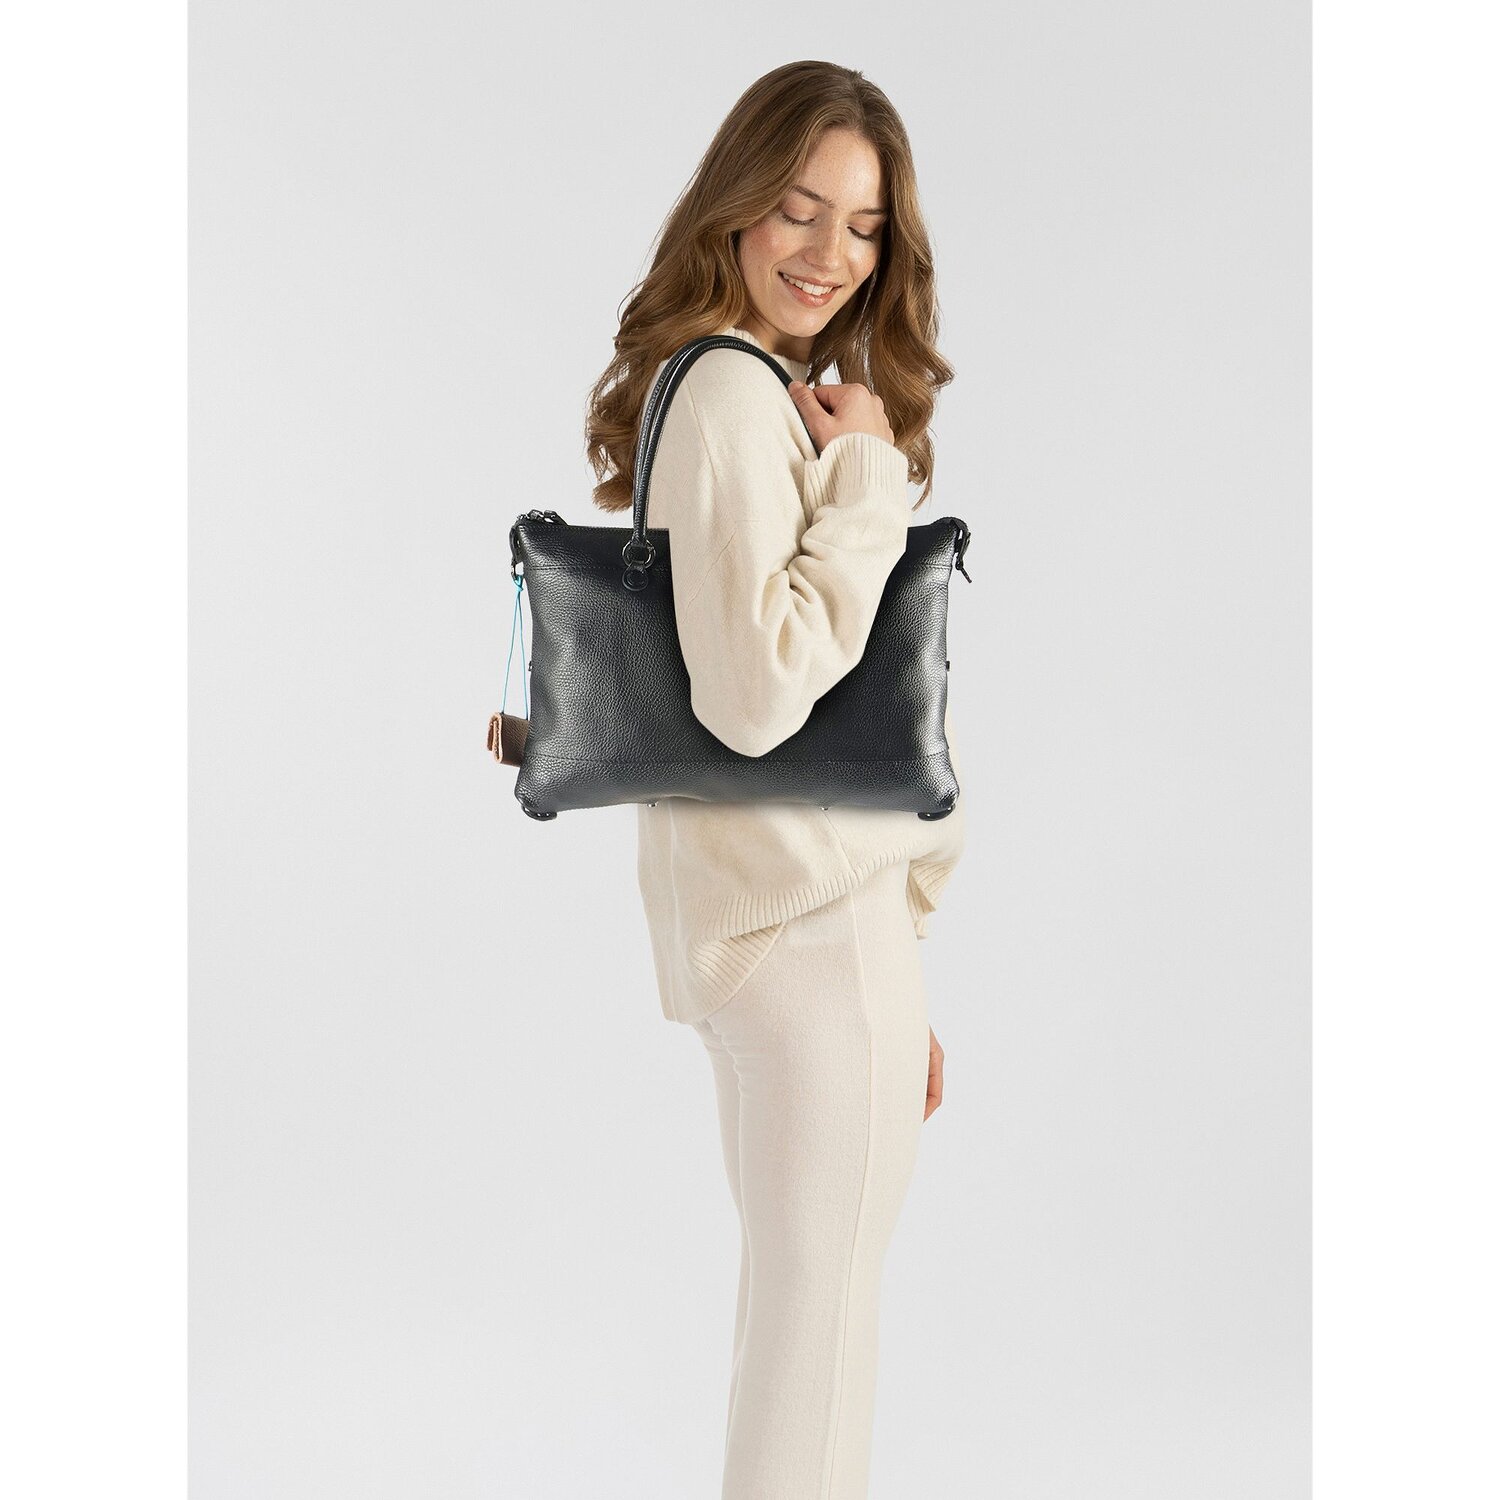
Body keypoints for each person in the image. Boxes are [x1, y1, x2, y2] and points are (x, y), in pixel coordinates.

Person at [584, 60, 969, 1500]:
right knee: (820, 1348)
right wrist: (869, 477)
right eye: (800, 208)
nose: (829, 253)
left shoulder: (720, 389)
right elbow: (756, 698)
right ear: (737, 206)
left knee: (796, 1340)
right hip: (814, 935)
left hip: (781, 938)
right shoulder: (741, 397)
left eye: (864, 226)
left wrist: (899, 970)